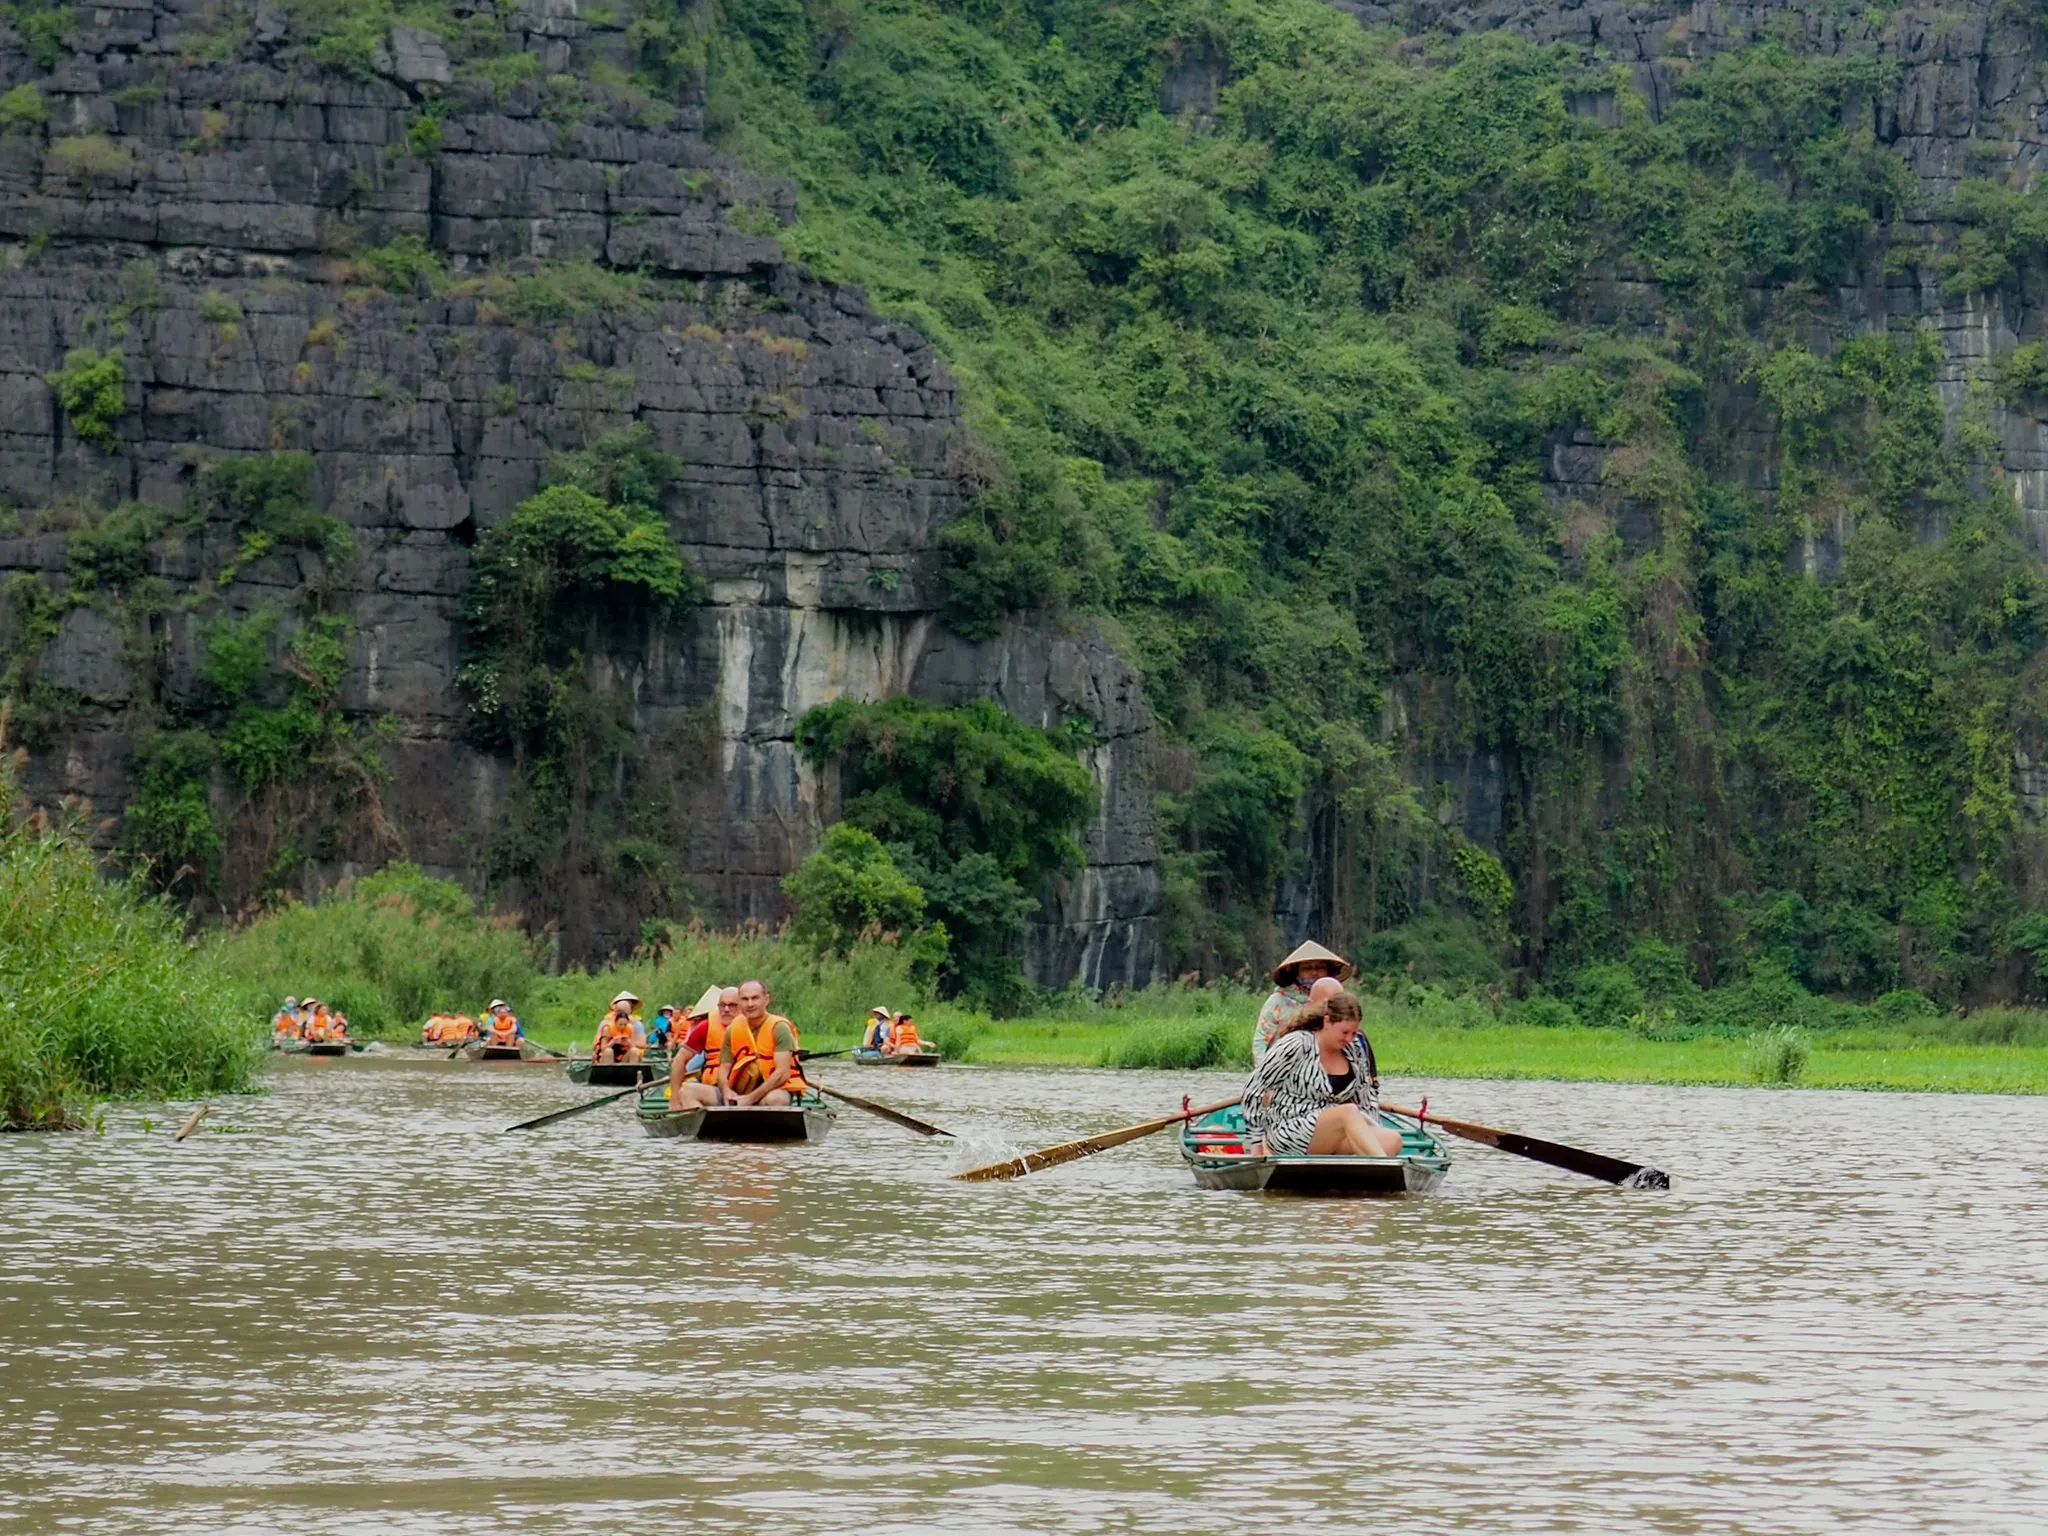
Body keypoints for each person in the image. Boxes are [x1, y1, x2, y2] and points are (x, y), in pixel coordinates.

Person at [1241, 991, 1401, 1157]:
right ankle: (1384, 1165)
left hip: (1333, 1131)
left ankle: (1360, 1165)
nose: (1349, 1038)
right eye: (1344, 1032)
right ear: (1327, 1021)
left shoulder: (1355, 1050)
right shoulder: (1296, 1044)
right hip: (1290, 1129)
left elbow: (1366, 1099)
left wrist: (1372, 1130)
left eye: (1354, 1033)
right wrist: (1256, 1144)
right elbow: (1254, 1089)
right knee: (1348, 1112)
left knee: (1392, 1140)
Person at [1253, 940, 1355, 1061]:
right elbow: (1261, 1040)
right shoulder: (1278, 1001)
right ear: (1296, 972)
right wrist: (1263, 1067)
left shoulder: (1336, 1000)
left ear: (1328, 970)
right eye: (1307, 968)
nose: (1314, 972)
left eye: (1320, 967)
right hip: (1284, 1063)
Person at [722, 979, 806, 1107]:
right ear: (739, 1002)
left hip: (773, 1090)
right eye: (745, 999)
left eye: (755, 998)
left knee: (776, 1099)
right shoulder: (733, 1029)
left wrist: (750, 1099)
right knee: (691, 1091)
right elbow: (723, 1068)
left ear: (766, 1000)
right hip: (741, 1091)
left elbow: (782, 1073)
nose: (750, 1004)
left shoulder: (780, 1028)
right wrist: (726, 1091)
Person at [666, 985, 728, 1110]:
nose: (727, 1010)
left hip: (747, 1088)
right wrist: (674, 1099)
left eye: (733, 1006)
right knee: (687, 1089)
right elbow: (682, 1061)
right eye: (723, 1006)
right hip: (714, 1087)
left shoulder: (756, 1025)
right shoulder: (705, 1027)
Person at [593, 992, 644, 1065]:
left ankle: (632, 1070)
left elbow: (641, 1045)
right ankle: (608, 1070)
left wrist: (628, 1043)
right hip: (608, 1055)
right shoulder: (607, 1026)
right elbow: (599, 1047)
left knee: (634, 1051)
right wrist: (613, 1042)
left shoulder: (633, 1026)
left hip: (624, 1056)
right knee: (608, 1051)